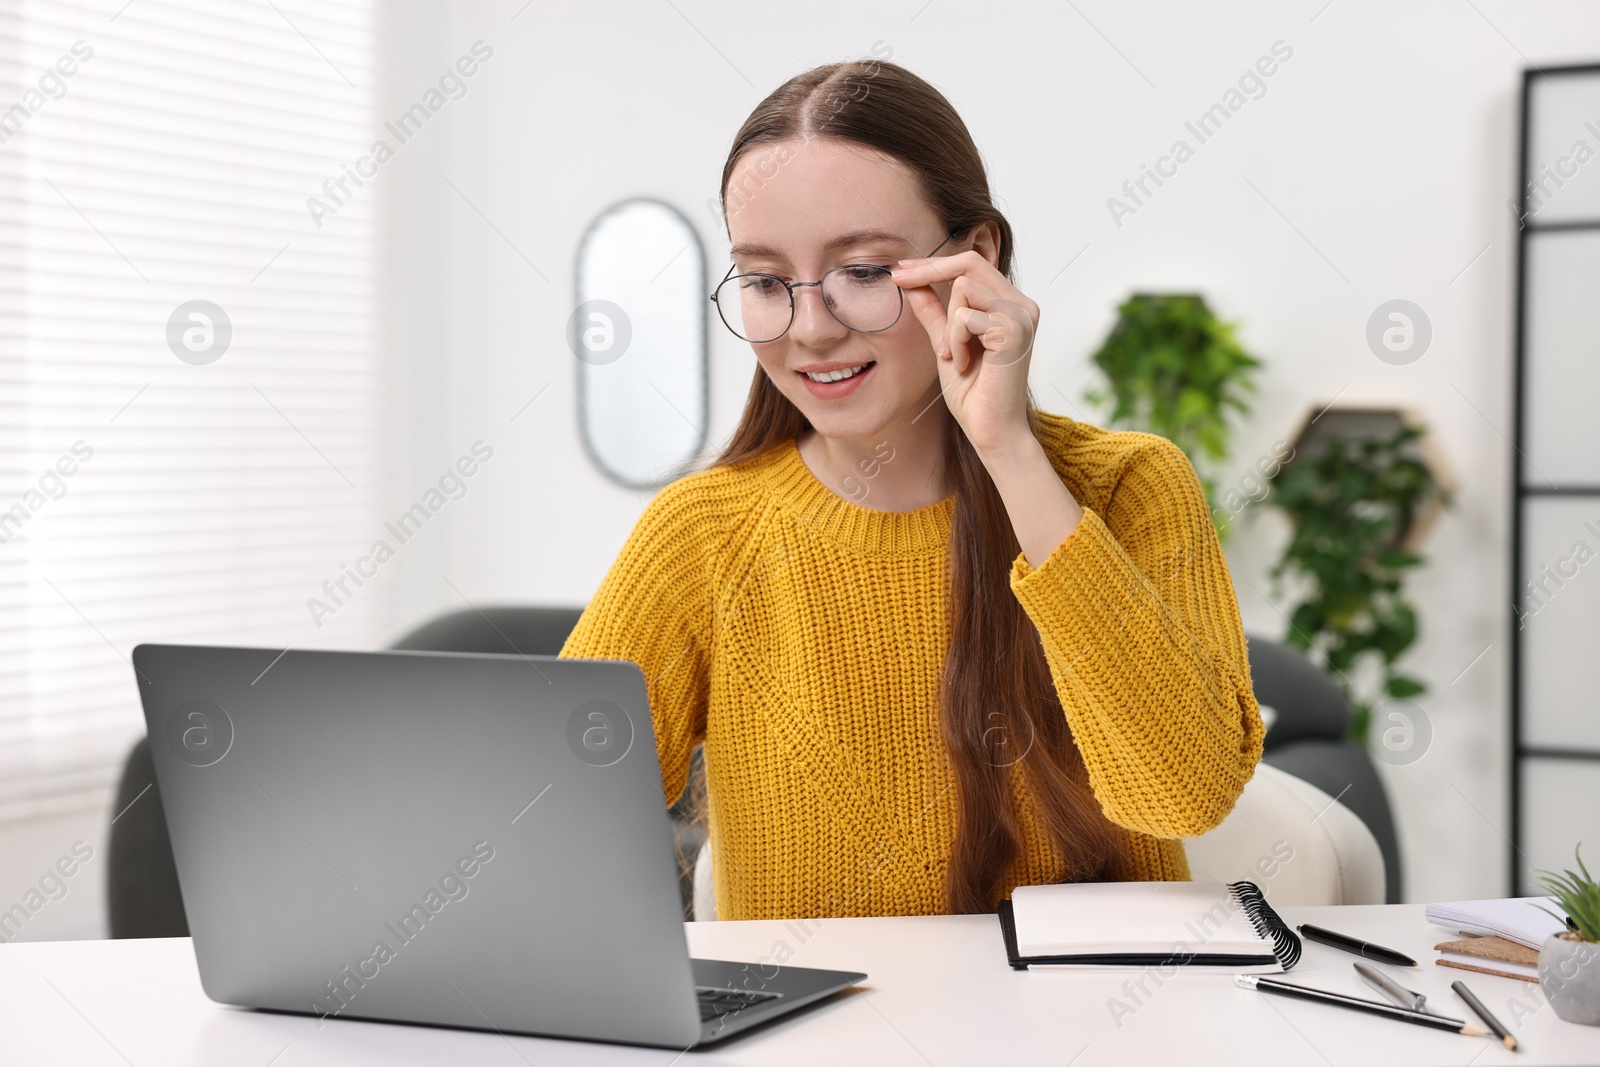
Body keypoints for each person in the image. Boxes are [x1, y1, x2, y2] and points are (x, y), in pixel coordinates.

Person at [560, 59, 1263, 921]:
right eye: (765, 282)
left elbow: (1183, 796)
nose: (811, 329)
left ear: (976, 259)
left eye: (861, 271)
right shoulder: (703, 531)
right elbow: (549, 821)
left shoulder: (1127, 486)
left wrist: (1007, 450)